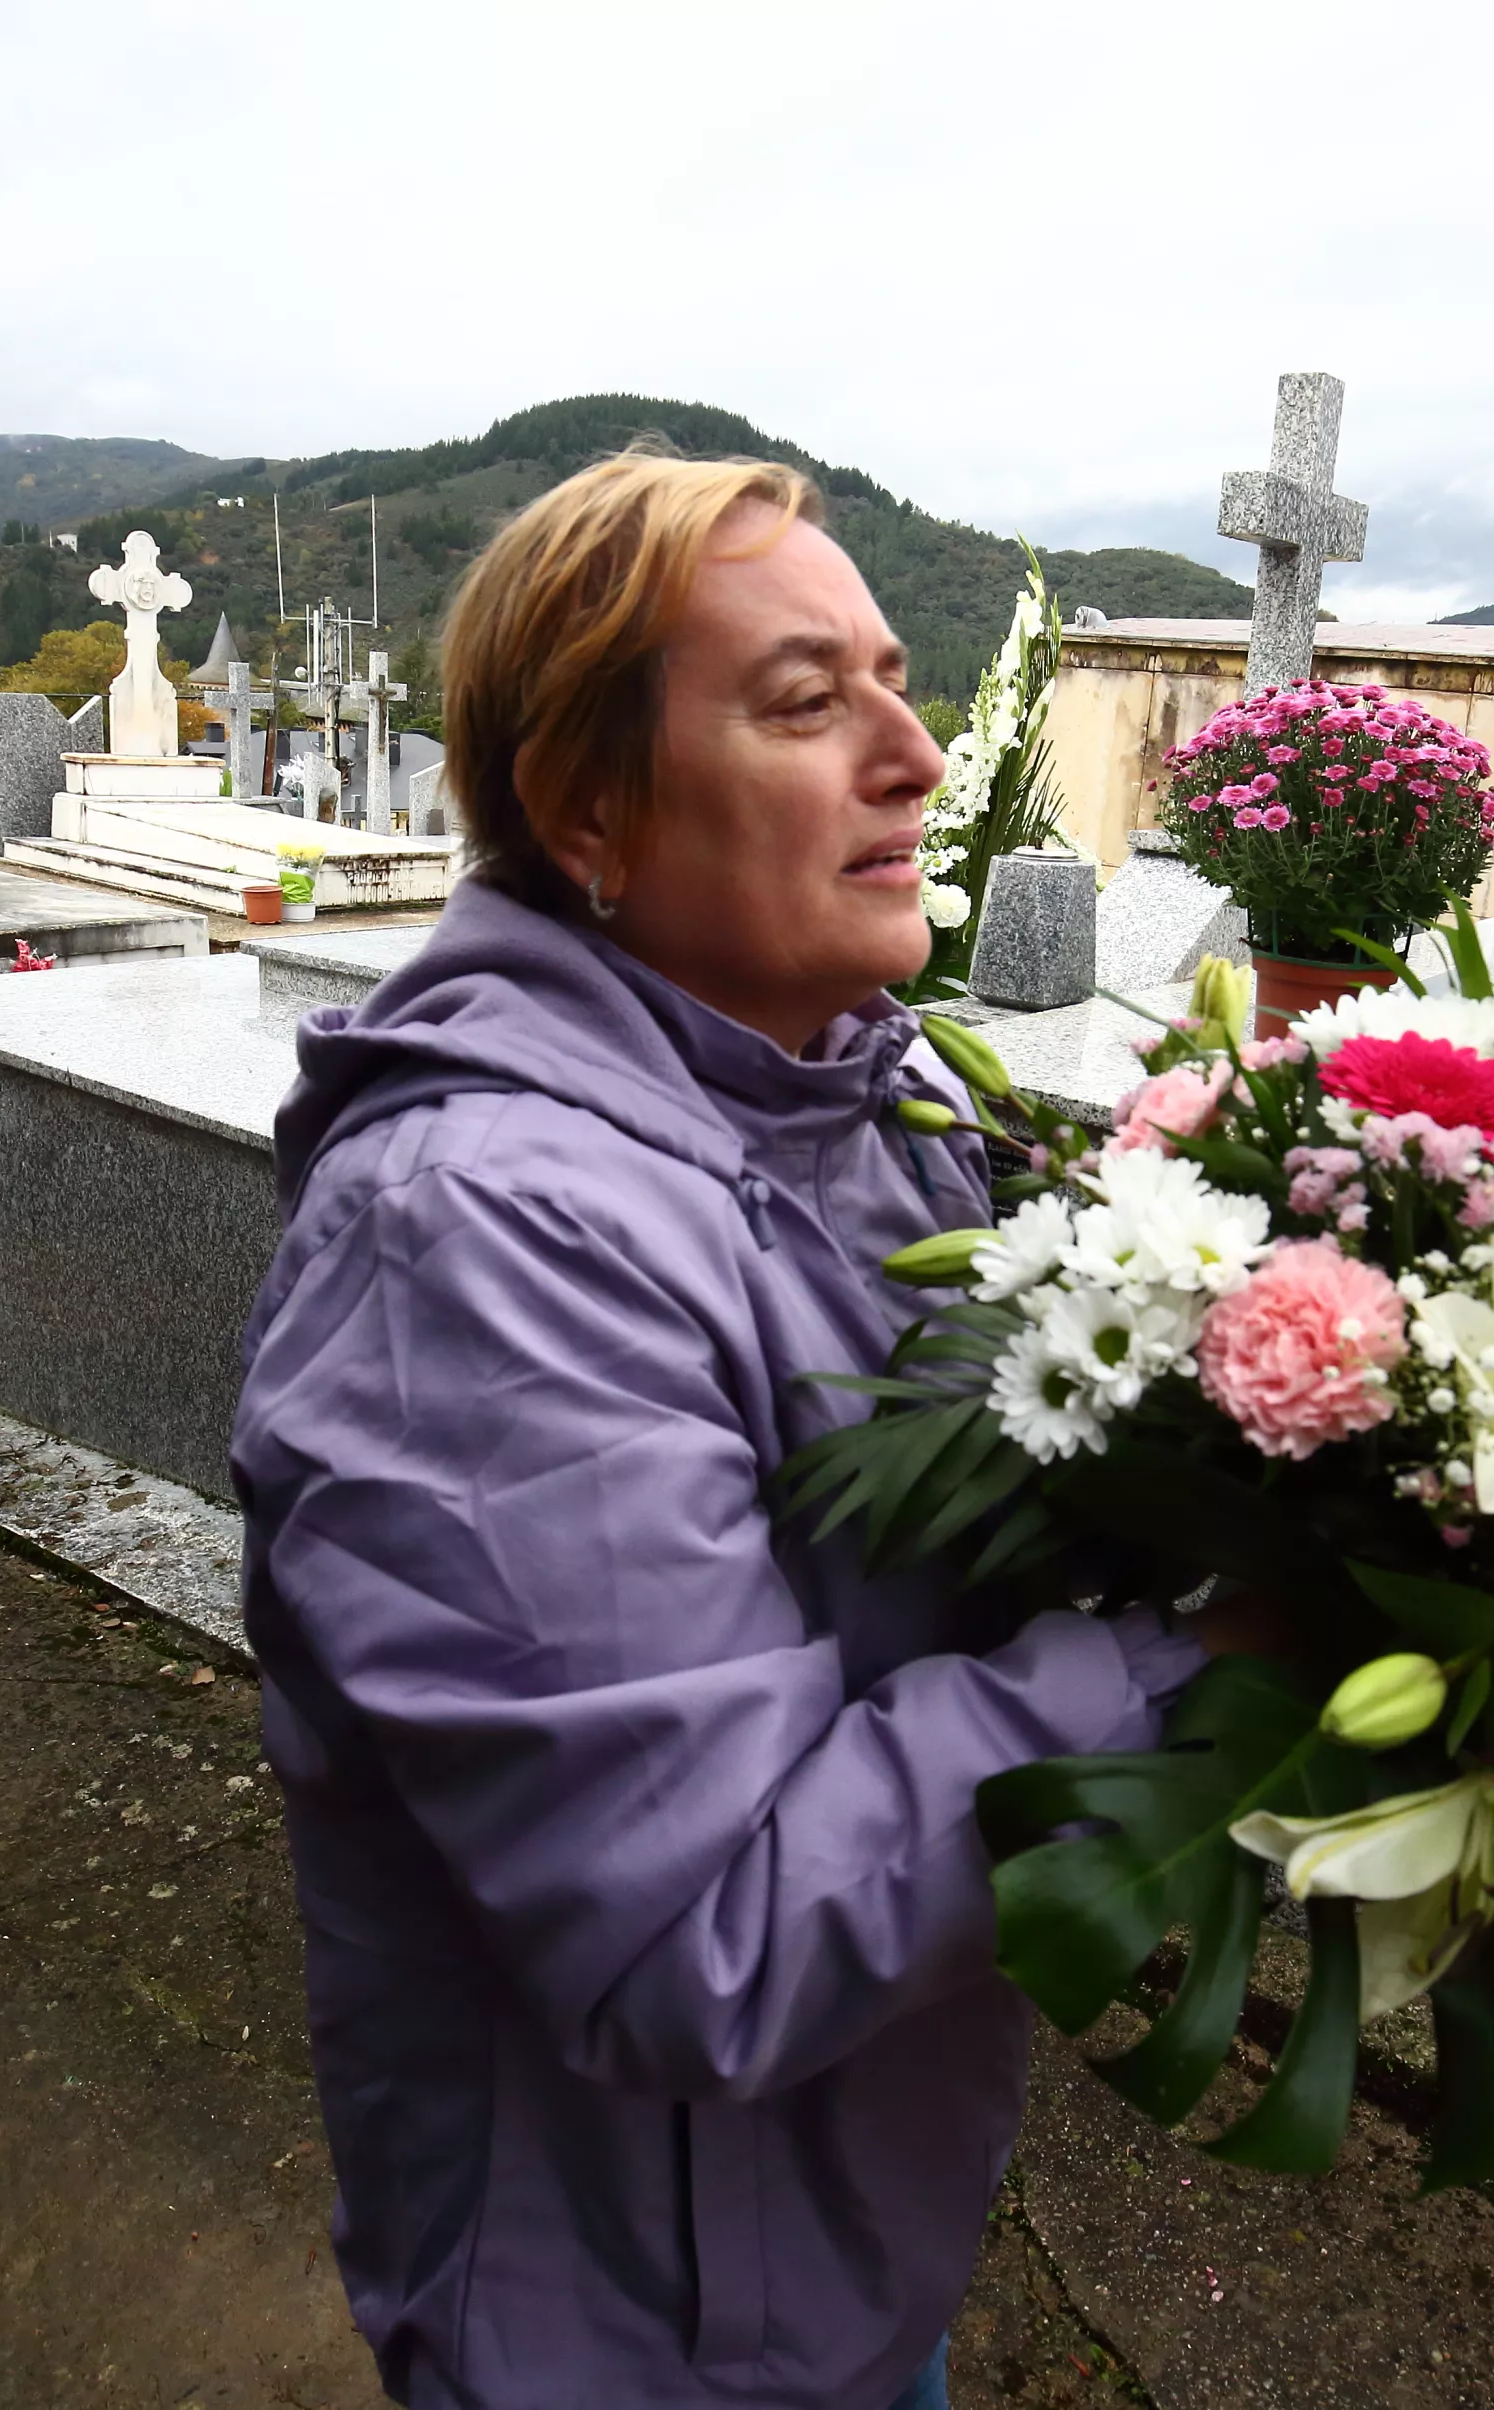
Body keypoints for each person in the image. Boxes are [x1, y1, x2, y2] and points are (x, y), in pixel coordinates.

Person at [232, 455, 1246, 2410]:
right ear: (587, 807)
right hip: (626, 2323)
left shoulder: (870, 1107)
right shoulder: (483, 1231)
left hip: (836, 2222)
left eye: (894, 681)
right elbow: (708, 1923)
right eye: (805, 701)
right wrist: (1222, 1668)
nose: (917, 757)